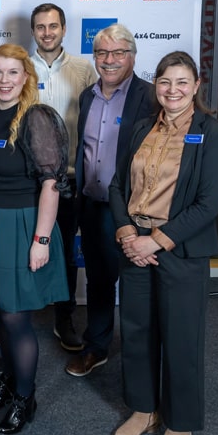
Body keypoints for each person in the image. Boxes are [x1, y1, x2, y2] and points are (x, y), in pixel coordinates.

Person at [108, 51, 218, 435]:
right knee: (137, 332)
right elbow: (117, 185)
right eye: (165, 82)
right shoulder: (142, 126)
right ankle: (144, 409)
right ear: (156, 86)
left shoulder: (213, 133)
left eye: (181, 82)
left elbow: (208, 204)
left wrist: (155, 241)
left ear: (196, 87)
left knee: (181, 338)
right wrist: (127, 232)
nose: (172, 90)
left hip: (180, 250)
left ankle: (180, 425)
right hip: (134, 245)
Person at [0, 43, 70, 435]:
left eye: (13, 72)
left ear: (26, 77)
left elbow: (51, 184)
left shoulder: (36, 118)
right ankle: (10, 382)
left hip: (23, 224)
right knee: (1, 313)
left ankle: (25, 399)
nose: (4, 80)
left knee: (15, 317)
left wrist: (41, 240)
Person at [66, 23, 157, 378]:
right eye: (102, 52)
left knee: (136, 281)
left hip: (134, 209)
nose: (110, 60)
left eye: (119, 52)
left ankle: (141, 352)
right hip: (93, 204)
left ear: (132, 56)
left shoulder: (150, 97)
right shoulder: (87, 96)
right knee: (99, 280)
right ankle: (97, 346)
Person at [27, 3, 97, 351]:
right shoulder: (21, 68)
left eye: (53, 26)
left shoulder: (84, 69)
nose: (47, 32)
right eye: (40, 27)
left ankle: (63, 317)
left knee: (66, 251)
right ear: (33, 31)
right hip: (29, 179)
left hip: (69, 178)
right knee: (26, 247)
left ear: (64, 29)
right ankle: (19, 316)